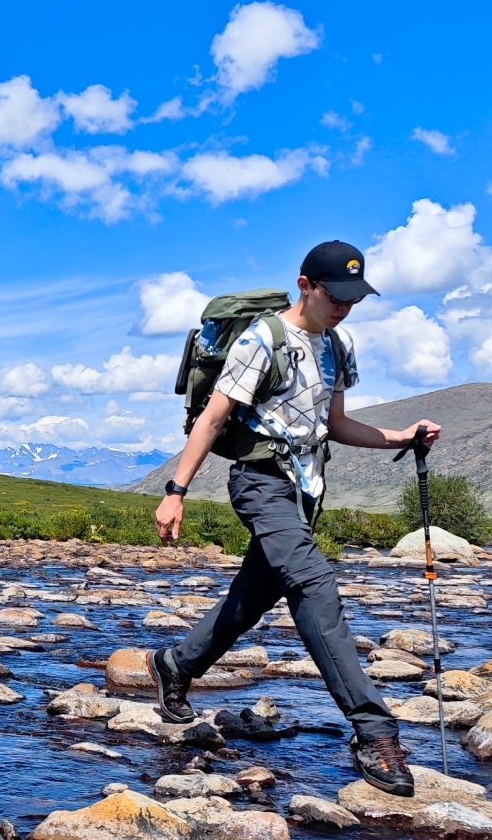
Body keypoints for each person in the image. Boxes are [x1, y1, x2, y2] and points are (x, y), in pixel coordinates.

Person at [150, 241, 441, 798]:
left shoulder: (336, 344)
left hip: (307, 491)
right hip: (260, 484)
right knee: (314, 587)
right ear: (306, 285)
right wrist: (175, 490)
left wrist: (403, 437)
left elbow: (334, 425)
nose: (345, 307)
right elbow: (213, 419)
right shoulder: (263, 340)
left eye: (355, 298)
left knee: (255, 596)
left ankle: (175, 664)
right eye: (336, 296)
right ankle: (374, 732)